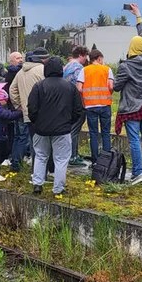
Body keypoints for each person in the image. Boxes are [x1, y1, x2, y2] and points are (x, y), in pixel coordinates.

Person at [28, 56, 85, 195]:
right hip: (62, 129)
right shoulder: (69, 87)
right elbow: (78, 110)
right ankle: (58, 188)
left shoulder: (39, 86)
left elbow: (31, 108)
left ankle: (37, 184)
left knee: (41, 156)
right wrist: (69, 122)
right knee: (61, 159)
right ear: (61, 69)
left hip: (41, 129)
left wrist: (37, 122)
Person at [114, 4, 142, 185]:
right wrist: (138, 16)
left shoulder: (125, 67)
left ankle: (137, 172)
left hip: (132, 107)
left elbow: (116, 87)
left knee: (134, 140)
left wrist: (110, 81)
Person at [9, 48, 49, 172]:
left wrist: (18, 105)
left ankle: (22, 165)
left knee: (28, 140)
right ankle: (40, 170)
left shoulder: (21, 72)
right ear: (43, 59)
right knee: (42, 143)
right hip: (41, 112)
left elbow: (12, 89)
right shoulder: (42, 70)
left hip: (26, 112)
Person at [83, 49, 114, 161]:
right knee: (106, 132)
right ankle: (106, 160)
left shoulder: (85, 70)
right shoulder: (107, 69)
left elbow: (78, 87)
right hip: (105, 105)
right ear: (99, 58)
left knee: (93, 134)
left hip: (90, 106)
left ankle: (95, 160)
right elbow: (111, 86)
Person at [63, 46, 90, 166]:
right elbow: (81, 87)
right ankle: (73, 156)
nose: (86, 59)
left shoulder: (67, 66)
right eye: (85, 56)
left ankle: (71, 154)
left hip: (67, 102)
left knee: (70, 129)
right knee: (74, 130)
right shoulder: (79, 68)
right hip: (77, 103)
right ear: (80, 55)